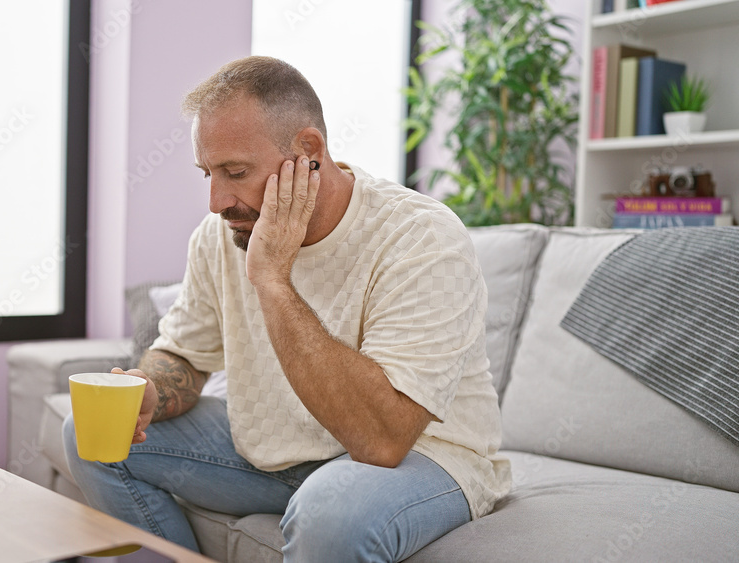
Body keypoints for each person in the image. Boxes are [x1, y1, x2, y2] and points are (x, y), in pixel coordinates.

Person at [64, 56, 510, 562]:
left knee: (330, 513)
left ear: (308, 150)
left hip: (422, 455)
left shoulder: (420, 237)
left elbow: (382, 441)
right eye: (207, 173)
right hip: (277, 451)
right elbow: (184, 355)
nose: (215, 200)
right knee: (89, 434)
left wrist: (273, 280)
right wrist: (148, 391)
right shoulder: (221, 234)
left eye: (235, 172)